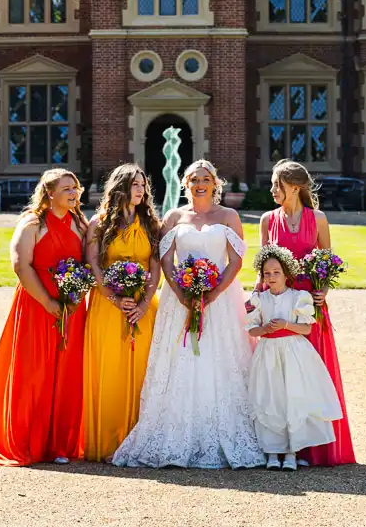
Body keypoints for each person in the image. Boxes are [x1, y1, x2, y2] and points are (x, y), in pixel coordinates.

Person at [111, 159, 264, 469]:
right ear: (185, 183)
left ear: (215, 183)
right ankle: (173, 433)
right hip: (177, 299)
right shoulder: (174, 217)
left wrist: (213, 293)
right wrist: (182, 294)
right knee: (178, 361)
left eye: (205, 178)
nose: (200, 183)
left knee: (221, 362)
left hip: (220, 299)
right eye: (194, 178)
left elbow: (236, 261)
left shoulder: (229, 216)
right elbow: (165, 260)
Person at [0, 168, 90, 466]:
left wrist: (75, 299)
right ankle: (27, 442)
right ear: (49, 193)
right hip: (37, 304)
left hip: (71, 307)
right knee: (35, 369)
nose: (74, 193)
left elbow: (88, 263)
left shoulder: (80, 223)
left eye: (75, 187)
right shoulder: (33, 223)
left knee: (67, 373)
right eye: (66, 189)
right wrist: (48, 302)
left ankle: (59, 444)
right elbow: (21, 265)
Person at [259, 158, 356, 466]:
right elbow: (264, 268)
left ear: (295, 188)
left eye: (278, 184)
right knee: (279, 376)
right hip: (279, 302)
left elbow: (326, 263)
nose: (273, 189)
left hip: (309, 307)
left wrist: (322, 291)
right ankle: (282, 443)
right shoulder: (267, 220)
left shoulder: (319, 219)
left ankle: (312, 449)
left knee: (313, 376)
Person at [81, 163, 162, 461]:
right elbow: (94, 265)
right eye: (134, 184)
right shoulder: (99, 224)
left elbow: (156, 268)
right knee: (110, 370)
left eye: (143, 184)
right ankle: (108, 442)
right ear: (120, 188)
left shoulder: (153, 224)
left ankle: (138, 443)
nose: (140, 190)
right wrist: (115, 298)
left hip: (143, 307)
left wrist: (142, 304)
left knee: (143, 371)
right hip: (107, 306)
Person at [246, 245, 343, 470]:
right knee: (270, 399)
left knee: (292, 397)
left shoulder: (298, 297)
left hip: (293, 353)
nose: (271, 277)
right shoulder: (260, 299)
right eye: (267, 273)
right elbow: (251, 329)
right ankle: (272, 452)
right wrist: (265, 330)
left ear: (287, 273)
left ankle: (291, 452)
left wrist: (286, 325)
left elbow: (307, 329)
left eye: (276, 272)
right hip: (268, 353)